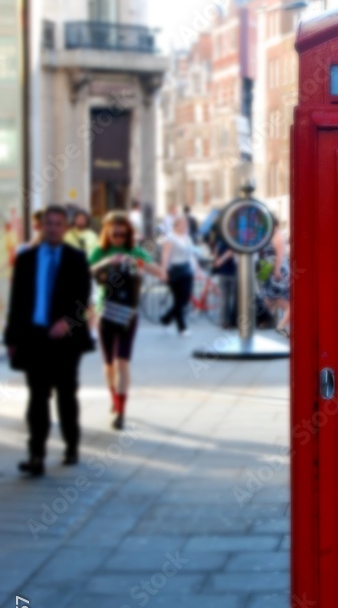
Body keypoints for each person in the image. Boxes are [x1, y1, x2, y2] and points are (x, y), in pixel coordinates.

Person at [3, 204, 95, 476]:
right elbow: (17, 302)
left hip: (66, 341)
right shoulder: (26, 258)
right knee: (37, 397)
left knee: (66, 395)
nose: (53, 228)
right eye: (48, 223)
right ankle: (36, 455)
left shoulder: (76, 258)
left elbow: (84, 300)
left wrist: (68, 321)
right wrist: (10, 338)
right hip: (35, 337)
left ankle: (71, 445)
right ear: (40, 226)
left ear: (65, 228)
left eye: (58, 224)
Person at [89, 211, 165, 429]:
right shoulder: (100, 251)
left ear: (128, 233)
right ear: (107, 233)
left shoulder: (135, 250)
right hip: (105, 311)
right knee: (108, 365)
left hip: (128, 313)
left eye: (122, 234)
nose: (119, 238)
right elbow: (85, 271)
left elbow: (159, 273)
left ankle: (121, 411)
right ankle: (114, 397)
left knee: (122, 361)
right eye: (115, 234)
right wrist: (106, 262)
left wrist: (137, 262)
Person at [160, 214, 201, 335]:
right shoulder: (170, 238)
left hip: (187, 270)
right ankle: (182, 327)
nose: (184, 226)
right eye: (182, 223)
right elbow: (165, 255)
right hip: (175, 270)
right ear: (176, 225)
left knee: (185, 299)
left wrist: (197, 269)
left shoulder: (187, 237)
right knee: (179, 300)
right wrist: (163, 271)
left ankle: (166, 319)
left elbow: (191, 254)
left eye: (185, 224)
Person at [259, 216, 291, 336]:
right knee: (280, 300)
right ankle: (278, 325)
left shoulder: (271, 237)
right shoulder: (276, 236)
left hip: (273, 272)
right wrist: (276, 271)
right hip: (276, 272)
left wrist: (275, 271)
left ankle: (269, 322)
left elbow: (277, 256)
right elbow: (280, 256)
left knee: (272, 298)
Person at [211, 232, 238, 329]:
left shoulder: (221, 241)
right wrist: (219, 260)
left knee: (226, 298)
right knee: (230, 298)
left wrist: (217, 261)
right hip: (231, 272)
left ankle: (225, 321)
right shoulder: (233, 240)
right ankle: (228, 321)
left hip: (227, 271)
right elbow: (230, 251)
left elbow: (216, 253)